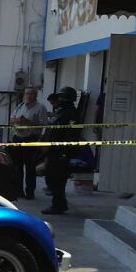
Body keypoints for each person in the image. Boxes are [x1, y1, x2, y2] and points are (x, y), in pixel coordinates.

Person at [42, 87, 80, 215]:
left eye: (62, 97)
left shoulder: (71, 114)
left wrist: (65, 153)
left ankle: (58, 205)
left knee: (57, 180)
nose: (60, 99)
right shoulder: (60, 111)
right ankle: (59, 203)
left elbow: (72, 135)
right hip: (52, 150)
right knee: (51, 178)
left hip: (61, 153)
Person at [11, 87, 48, 200]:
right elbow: (11, 119)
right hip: (18, 137)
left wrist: (27, 122)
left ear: (35, 95)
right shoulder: (20, 106)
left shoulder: (40, 108)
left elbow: (42, 125)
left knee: (30, 166)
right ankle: (18, 190)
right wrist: (18, 120)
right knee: (17, 165)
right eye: (27, 93)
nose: (29, 96)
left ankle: (30, 191)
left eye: (31, 94)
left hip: (31, 138)